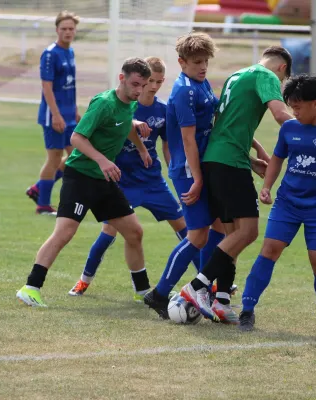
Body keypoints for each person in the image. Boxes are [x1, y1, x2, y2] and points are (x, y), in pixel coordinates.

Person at [16, 58, 153, 307]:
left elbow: (125, 123)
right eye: (135, 84)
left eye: (143, 85)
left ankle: (143, 291)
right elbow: (77, 137)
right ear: (121, 79)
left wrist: (141, 147)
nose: (139, 90)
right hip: (80, 176)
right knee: (65, 232)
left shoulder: (130, 103)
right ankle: (30, 287)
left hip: (104, 179)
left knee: (134, 232)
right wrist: (102, 160)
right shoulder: (104, 103)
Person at [238, 75, 316, 333]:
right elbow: (277, 159)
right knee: (269, 250)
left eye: (298, 107)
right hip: (287, 204)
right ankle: (247, 311)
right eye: (291, 107)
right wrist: (266, 187)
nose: (293, 112)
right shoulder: (289, 129)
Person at [67, 57, 199, 302]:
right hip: (124, 181)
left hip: (153, 182)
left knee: (185, 228)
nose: (153, 86)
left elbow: (168, 148)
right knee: (109, 231)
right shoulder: (127, 102)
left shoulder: (163, 110)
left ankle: (205, 279)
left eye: (159, 82)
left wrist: (176, 174)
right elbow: (122, 121)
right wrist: (136, 132)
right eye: (150, 81)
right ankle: (84, 280)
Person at [179, 46, 294, 324]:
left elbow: (226, 124)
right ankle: (195, 288)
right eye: (283, 83)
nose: (279, 87)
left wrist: (252, 159)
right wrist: (315, 133)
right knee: (248, 232)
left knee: (233, 234)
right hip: (230, 163)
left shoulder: (236, 75)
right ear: (281, 70)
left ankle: (220, 300)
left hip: (219, 160)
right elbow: (280, 115)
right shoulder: (266, 76)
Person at [142, 32, 228, 320]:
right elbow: (188, 140)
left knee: (219, 228)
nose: (203, 66)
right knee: (198, 236)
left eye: (206, 61)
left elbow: (215, 125)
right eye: (196, 62)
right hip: (189, 171)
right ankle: (159, 293)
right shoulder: (183, 91)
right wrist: (199, 178)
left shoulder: (202, 84)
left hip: (204, 167)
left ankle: (205, 287)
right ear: (181, 62)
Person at [26, 11, 81, 215]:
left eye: (71, 28)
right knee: (54, 158)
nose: (67, 32)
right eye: (63, 29)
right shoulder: (50, 53)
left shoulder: (70, 52)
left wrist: (74, 110)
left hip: (68, 114)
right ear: (57, 30)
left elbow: (71, 85)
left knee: (77, 153)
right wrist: (56, 115)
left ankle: (39, 188)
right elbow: (47, 88)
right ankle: (43, 205)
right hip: (53, 115)